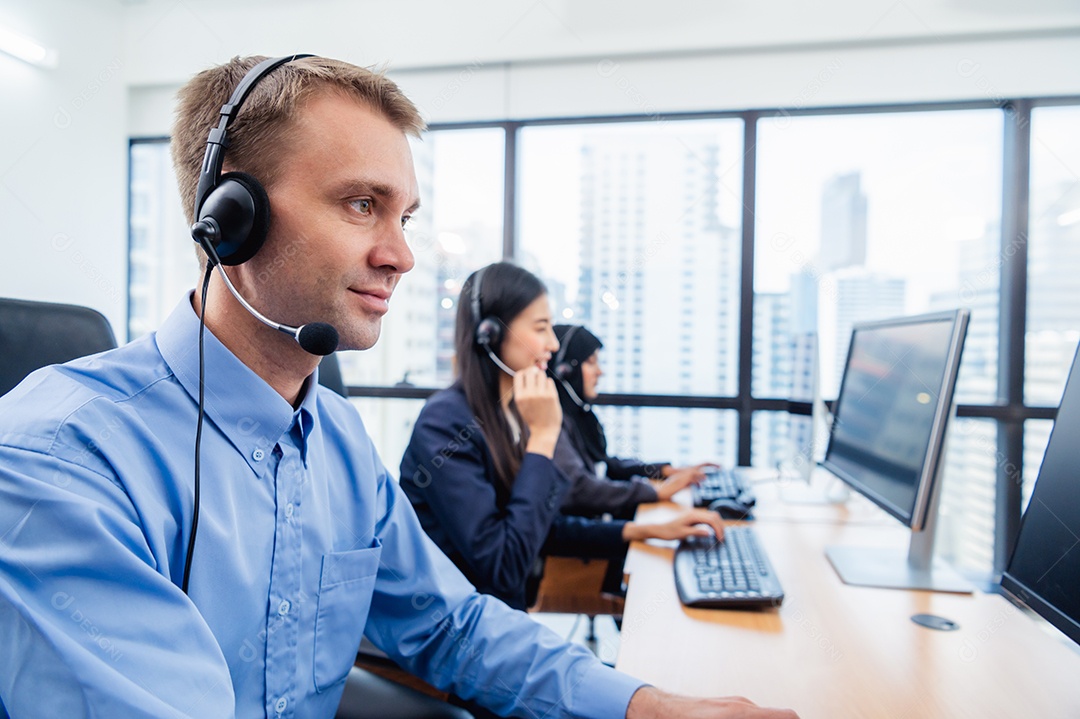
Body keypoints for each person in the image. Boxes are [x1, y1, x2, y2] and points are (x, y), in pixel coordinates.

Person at [0, 54, 797, 719]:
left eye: (404, 217)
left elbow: (450, 626)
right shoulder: (54, 459)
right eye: (360, 204)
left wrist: (647, 705)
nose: (401, 256)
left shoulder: (338, 440)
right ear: (230, 216)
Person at [399, 262, 724, 611]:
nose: (553, 344)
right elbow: (503, 567)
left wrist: (647, 531)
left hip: (496, 617)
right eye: (541, 328)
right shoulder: (445, 423)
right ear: (490, 335)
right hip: (449, 622)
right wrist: (544, 435)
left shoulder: (512, 413)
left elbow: (542, 527)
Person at [552, 322, 716, 518]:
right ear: (565, 371)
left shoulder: (580, 417)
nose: (600, 371)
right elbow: (581, 488)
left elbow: (605, 465)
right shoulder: (554, 422)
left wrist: (664, 471)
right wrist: (655, 492)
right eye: (591, 362)